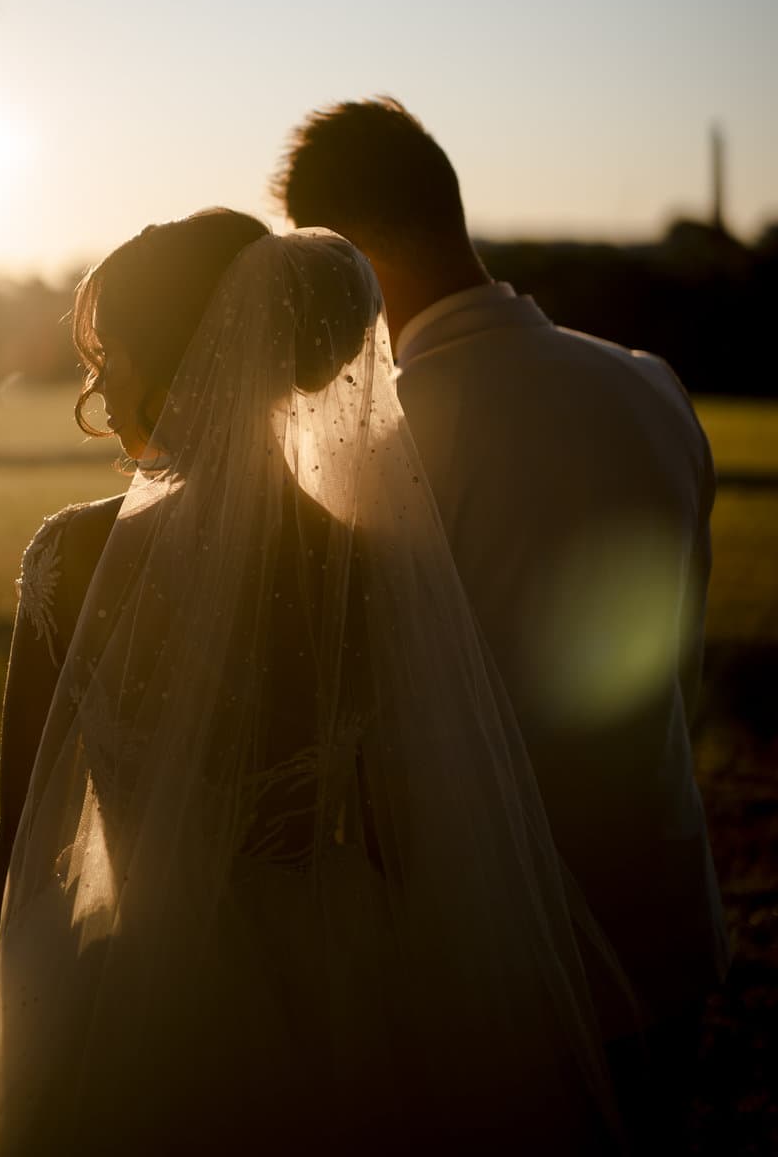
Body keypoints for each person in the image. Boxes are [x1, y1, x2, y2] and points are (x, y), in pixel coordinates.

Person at [0, 210, 625, 1156]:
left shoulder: (75, 560)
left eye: (109, 357)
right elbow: (405, 828)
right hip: (341, 984)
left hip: (128, 988)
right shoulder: (362, 569)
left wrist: (27, 1027)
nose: (97, 388)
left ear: (174, 362)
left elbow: (19, 834)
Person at [273, 97, 731, 1150]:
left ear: (350, 252)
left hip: (483, 958)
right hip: (665, 920)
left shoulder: (378, 440)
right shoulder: (651, 386)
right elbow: (682, 668)